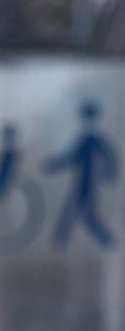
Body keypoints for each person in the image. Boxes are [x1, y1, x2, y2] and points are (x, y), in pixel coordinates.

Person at [42, 100, 117, 249]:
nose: (87, 122)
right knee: (84, 216)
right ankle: (106, 240)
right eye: (85, 119)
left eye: (89, 119)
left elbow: (110, 158)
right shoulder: (84, 140)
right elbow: (70, 158)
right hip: (82, 183)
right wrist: (53, 165)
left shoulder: (96, 140)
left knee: (77, 214)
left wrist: (110, 175)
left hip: (89, 184)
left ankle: (60, 242)